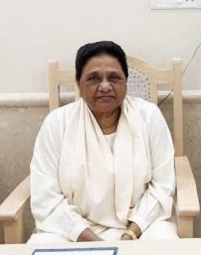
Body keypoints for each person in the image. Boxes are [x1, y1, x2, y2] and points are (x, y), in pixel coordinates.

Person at [28, 41, 178, 244]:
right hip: (71, 231)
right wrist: (92, 240)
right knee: (44, 249)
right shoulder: (57, 123)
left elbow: (162, 185)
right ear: (79, 85)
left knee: (164, 242)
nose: (105, 86)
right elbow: (46, 195)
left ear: (125, 82)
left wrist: (130, 234)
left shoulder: (148, 116)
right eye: (93, 78)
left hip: (140, 227)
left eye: (114, 78)